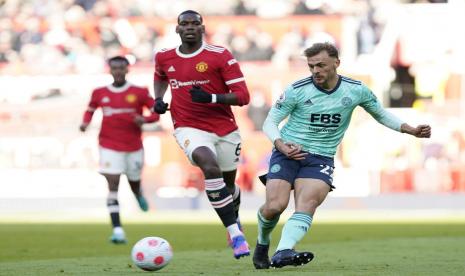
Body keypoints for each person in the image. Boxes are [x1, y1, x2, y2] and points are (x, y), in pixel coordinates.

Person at [253, 42, 431, 269]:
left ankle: (282, 251)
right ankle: (262, 243)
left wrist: (411, 129)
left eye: (321, 65)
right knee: (274, 206)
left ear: (336, 63)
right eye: (311, 66)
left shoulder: (356, 89)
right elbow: (270, 121)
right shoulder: (297, 90)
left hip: (321, 157)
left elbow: (381, 114)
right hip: (287, 152)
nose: (316, 71)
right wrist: (280, 143)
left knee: (307, 202)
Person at [152, 10, 251, 259]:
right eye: (183, 24)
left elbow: (243, 96)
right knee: (208, 165)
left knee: (228, 186)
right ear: (177, 29)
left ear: (202, 28)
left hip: (225, 128)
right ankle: (235, 234)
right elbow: (160, 76)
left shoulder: (220, 55)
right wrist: (158, 99)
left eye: (194, 23)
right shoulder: (164, 56)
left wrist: (211, 98)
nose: (189, 27)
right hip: (188, 126)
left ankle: (233, 218)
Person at [80, 56, 159, 244]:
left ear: (127, 70)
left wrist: (145, 120)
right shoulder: (99, 93)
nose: (117, 71)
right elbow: (90, 110)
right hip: (109, 145)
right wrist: (85, 122)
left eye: (121, 68)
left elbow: (156, 112)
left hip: (133, 146)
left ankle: (138, 193)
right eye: (114, 68)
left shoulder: (139, 92)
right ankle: (117, 230)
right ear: (109, 70)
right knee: (113, 185)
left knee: (134, 182)